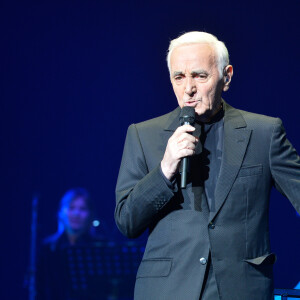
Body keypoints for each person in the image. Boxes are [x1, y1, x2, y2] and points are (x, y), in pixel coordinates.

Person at [115, 31, 300, 300]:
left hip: (241, 289)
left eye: (200, 76)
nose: (188, 88)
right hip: (167, 290)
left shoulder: (264, 132)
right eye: (179, 77)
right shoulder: (143, 135)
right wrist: (165, 169)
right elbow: (126, 222)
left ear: (227, 76)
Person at [36, 188, 107, 300]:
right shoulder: (48, 248)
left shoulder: (99, 246)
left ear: (90, 214)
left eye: (82, 209)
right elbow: (41, 288)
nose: (76, 214)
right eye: (71, 208)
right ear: (60, 212)